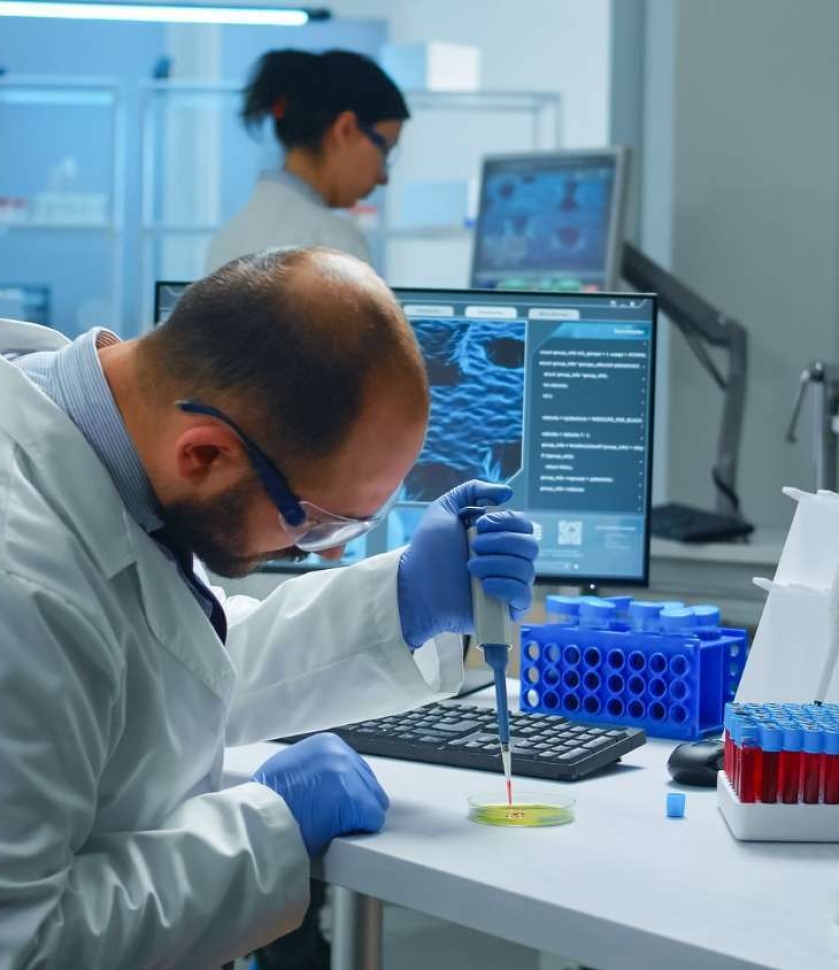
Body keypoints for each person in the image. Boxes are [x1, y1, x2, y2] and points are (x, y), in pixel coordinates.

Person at [0, 247, 538, 968]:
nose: (325, 550)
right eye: (316, 520)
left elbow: (159, 674)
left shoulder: (104, 450)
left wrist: (403, 600)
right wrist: (264, 832)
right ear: (204, 455)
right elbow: (24, 944)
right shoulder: (21, 580)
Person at [206, 49, 407, 274]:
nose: (384, 177)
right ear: (345, 130)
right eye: (385, 149)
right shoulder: (333, 244)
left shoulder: (231, 234)